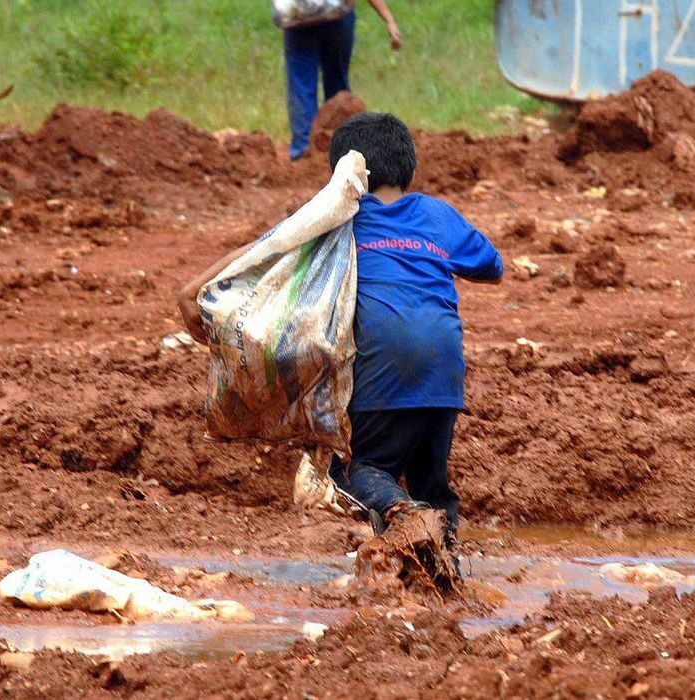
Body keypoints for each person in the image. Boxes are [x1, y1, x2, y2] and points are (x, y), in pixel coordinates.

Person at [177, 112, 502, 557]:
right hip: (444, 377)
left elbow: (270, 248)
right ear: (409, 169)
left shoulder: (339, 221)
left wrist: (197, 288)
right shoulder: (437, 216)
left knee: (358, 473)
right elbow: (491, 267)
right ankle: (443, 573)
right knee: (432, 483)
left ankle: (405, 518)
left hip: (380, 372)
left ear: (343, 175)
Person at [280, 0, 402, 161]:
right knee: (337, 87)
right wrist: (389, 20)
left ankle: (304, 153)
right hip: (337, 17)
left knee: (301, 87)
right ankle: (341, 153)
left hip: (299, 16)